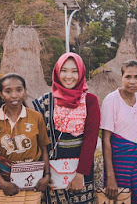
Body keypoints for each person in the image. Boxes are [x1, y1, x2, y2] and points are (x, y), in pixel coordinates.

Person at [33, 52, 100, 204]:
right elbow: (39, 141)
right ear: (56, 72)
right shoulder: (45, 101)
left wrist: (80, 174)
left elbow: (91, 140)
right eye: (64, 70)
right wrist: (44, 173)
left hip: (80, 172)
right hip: (50, 175)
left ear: (81, 73)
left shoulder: (90, 101)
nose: (69, 76)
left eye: (74, 71)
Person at [0, 73, 51, 203]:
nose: (14, 95)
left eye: (19, 90)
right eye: (8, 91)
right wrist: (2, 183)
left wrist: (46, 176)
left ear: (24, 91)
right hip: (2, 188)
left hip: (32, 184)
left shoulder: (36, 117)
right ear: (1, 94)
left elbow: (43, 148)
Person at [100, 60, 137, 204]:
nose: (132, 81)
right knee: (119, 198)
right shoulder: (111, 99)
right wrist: (110, 175)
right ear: (122, 78)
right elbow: (105, 140)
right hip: (119, 160)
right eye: (128, 77)